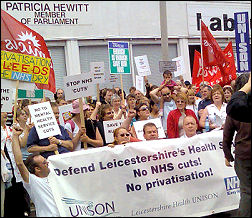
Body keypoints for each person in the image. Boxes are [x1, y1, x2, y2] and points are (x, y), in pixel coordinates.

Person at [11, 125, 60, 217]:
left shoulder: (55, 176)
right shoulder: (32, 181)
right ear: (37, 169)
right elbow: (19, 163)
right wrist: (15, 136)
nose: (48, 163)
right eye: (44, 162)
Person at [222, 74, 251, 217]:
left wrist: (227, 155)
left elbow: (227, 135)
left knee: (247, 191)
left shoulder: (235, 108)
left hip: (244, 155)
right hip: (244, 155)